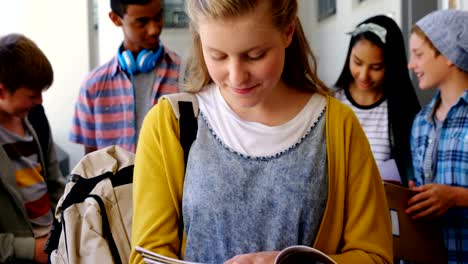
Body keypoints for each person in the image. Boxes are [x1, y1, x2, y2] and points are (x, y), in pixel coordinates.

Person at [130, 0, 393, 263]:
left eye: (255, 55)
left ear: (288, 31)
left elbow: (375, 256)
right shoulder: (170, 124)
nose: (236, 77)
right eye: (217, 55)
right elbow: (147, 256)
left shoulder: (339, 126)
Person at [70, 0, 181, 154]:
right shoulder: (93, 85)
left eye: (158, 17)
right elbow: (90, 160)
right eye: (142, 22)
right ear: (116, 19)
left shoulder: (186, 75)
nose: (154, 29)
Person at [406, 9, 468, 263]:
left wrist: (455, 197)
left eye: (418, 54)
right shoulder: (421, 122)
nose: (411, 64)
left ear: (449, 55)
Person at [0, 33, 64, 263]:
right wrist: (30, 249)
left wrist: (61, 228)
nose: (40, 101)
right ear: (1, 91)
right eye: (32, 94)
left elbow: (56, 183)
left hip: (52, 246)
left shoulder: (36, 117)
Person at [334, 15, 421, 186]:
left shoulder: (401, 109)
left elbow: (411, 168)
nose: (364, 75)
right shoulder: (332, 101)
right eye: (357, 62)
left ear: (393, 65)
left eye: (376, 67)